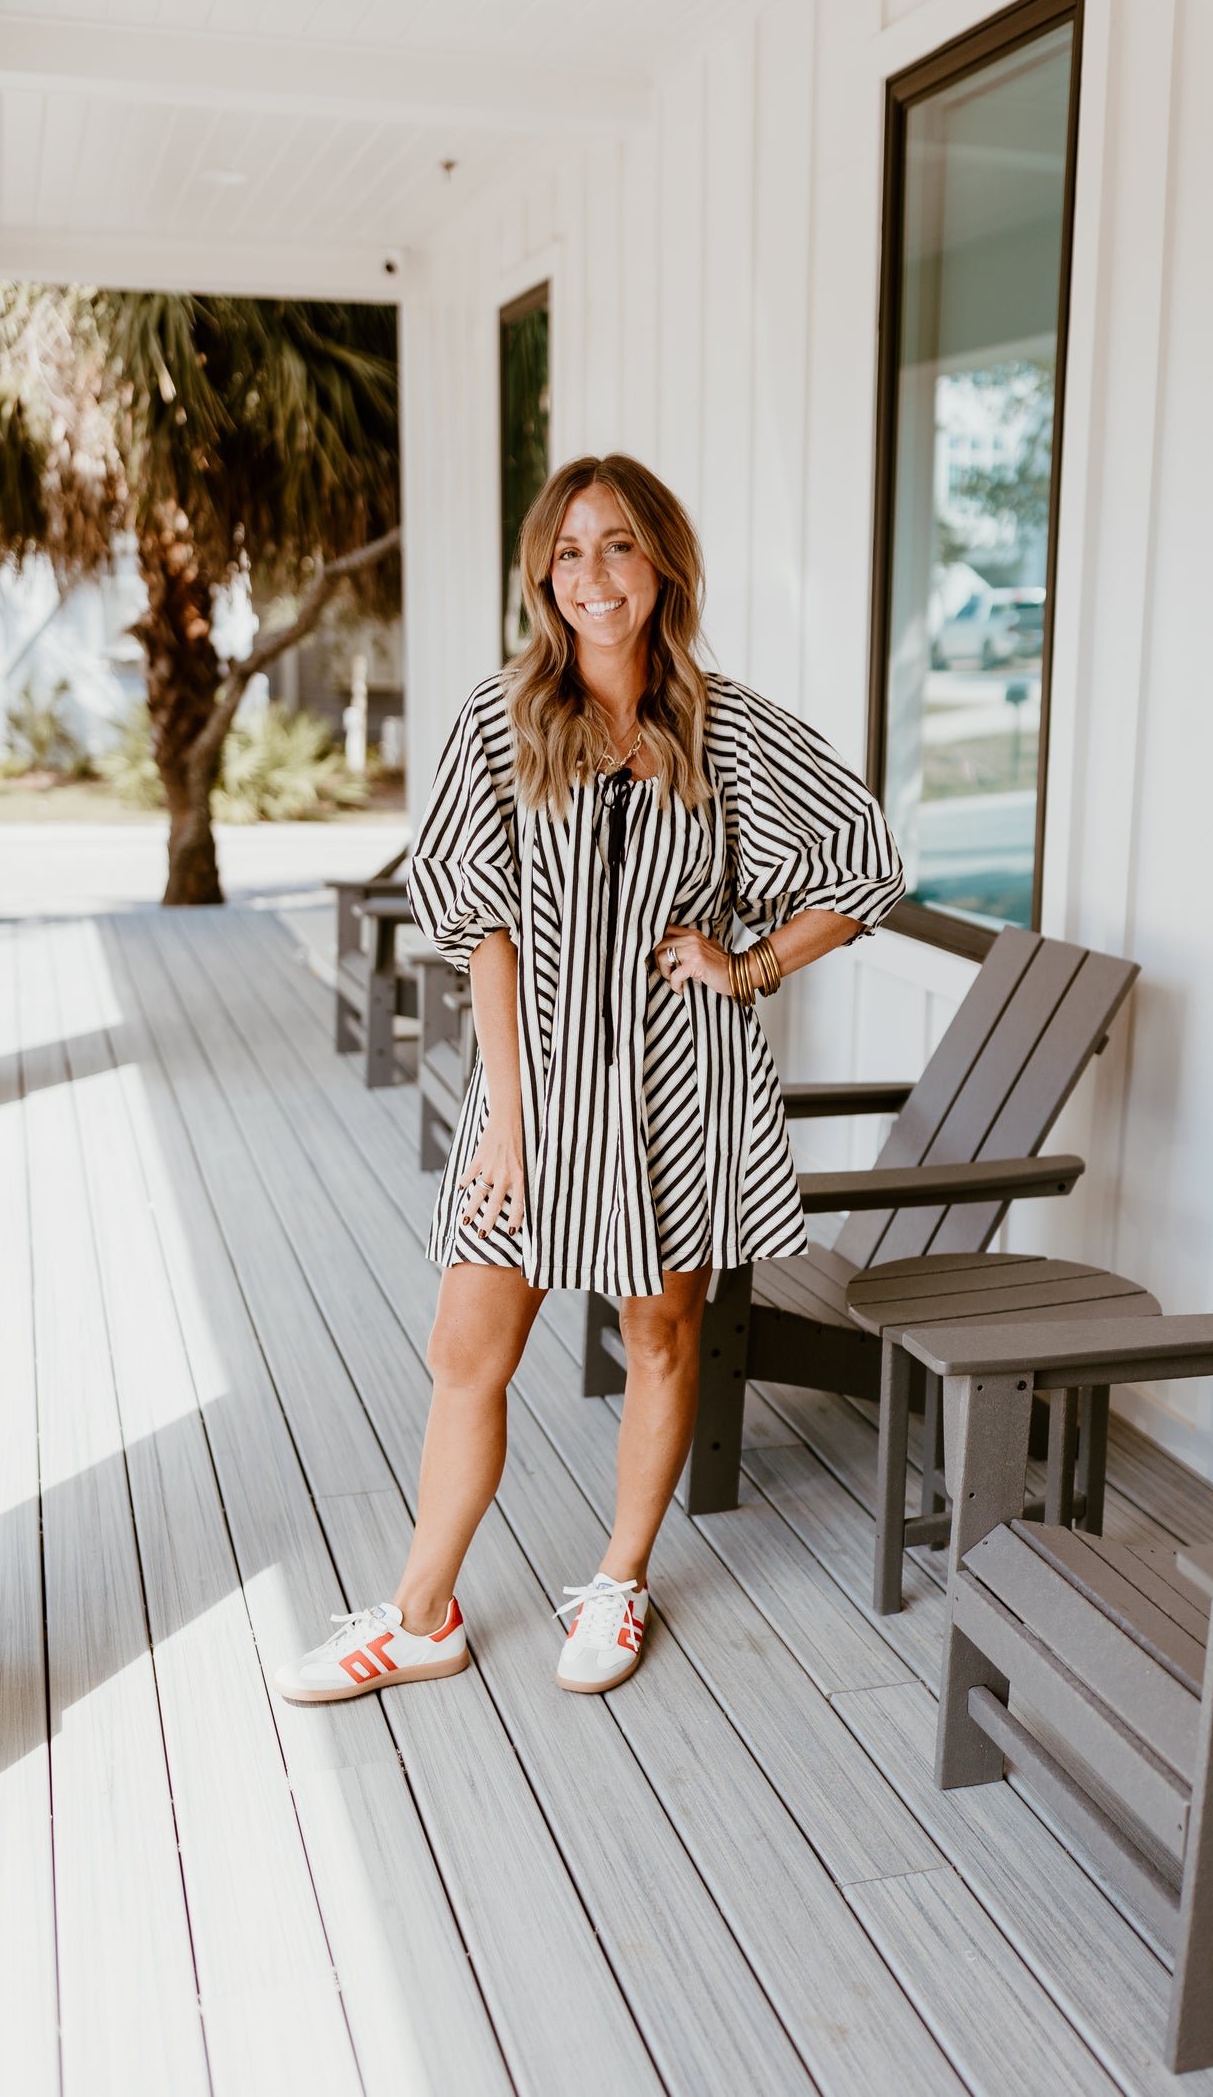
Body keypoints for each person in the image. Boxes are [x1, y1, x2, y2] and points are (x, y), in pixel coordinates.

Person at [276, 454, 904, 1705]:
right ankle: (418, 1615)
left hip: (678, 1082)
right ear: (540, 575)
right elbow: (484, 931)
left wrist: (747, 967)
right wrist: (505, 1121)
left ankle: (619, 1580)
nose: (592, 576)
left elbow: (863, 858)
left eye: (616, 546)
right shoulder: (497, 720)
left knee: (661, 1332)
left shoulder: (730, 731)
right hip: (537, 1082)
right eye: (567, 553)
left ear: (660, 561)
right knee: (469, 1343)